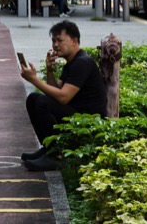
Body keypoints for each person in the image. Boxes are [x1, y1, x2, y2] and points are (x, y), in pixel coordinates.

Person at [19, 20, 107, 171]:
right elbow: (55, 90)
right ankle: (49, 149)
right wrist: (49, 70)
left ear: (74, 41)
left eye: (60, 40)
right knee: (33, 99)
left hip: (88, 120)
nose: (55, 45)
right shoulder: (72, 62)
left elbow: (63, 97)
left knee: (41, 102)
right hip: (76, 113)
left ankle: (56, 156)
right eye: (53, 40)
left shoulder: (82, 62)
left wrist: (34, 79)